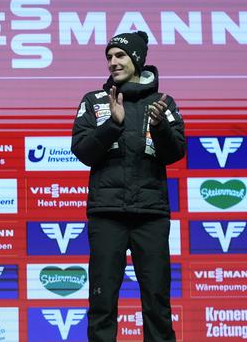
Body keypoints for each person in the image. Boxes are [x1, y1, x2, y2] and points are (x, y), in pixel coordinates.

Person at [71, 31, 185, 342]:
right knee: (102, 304)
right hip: (107, 215)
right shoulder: (94, 100)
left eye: (119, 55)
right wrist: (113, 124)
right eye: (109, 57)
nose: (112, 62)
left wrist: (160, 127)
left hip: (151, 214)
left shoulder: (163, 103)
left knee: (157, 304)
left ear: (136, 59)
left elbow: (175, 153)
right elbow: (82, 150)